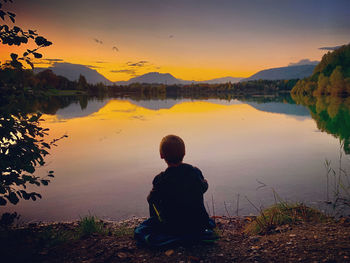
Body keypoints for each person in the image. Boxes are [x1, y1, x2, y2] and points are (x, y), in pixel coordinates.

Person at [147, 134, 212, 235]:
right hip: (199, 225)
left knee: (153, 199)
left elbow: (151, 199)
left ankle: (156, 224)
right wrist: (205, 183)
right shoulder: (195, 172)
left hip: (172, 228)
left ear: (161, 155)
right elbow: (203, 188)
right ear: (184, 153)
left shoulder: (160, 180)